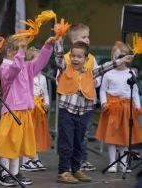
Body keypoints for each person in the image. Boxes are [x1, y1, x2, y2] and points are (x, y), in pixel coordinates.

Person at [54, 40, 135, 184]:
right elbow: (59, 57)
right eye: (73, 56)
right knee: (66, 142)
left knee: (79, 142)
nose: (75, 59)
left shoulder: (91, 72)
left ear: (86, 59)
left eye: (79, 57)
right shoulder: (66, 68)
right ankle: (64, 171)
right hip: (67, 111)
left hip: (83, 113)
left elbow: (106, 67)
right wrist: (57, 41)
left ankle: (76, 169)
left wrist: (122, 59)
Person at [0, 36, 54, 186]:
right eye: (22, 48)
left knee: (17, 143)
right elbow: (15, 69)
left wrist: (47, 46)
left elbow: (39, 63)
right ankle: (4, 173)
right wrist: (20, 53)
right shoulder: (6, 67)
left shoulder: (25, 66)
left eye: (24, 48)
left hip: (24, 111)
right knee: (9, 143)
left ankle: (15, 172)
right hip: (12, 111)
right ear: (10, 51)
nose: (24, 51)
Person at [95, 41, 142, 173]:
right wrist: (104, 102)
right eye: (117, 57)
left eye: (122, 56)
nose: (120, 60)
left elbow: (135, 92)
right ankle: (112, 163)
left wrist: (137, 106)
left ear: (127, 58)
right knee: (112, 137)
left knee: (124, 138)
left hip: (127, 109)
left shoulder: (130, 73)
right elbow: (103, 90)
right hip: (112, 108)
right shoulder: (108, 74)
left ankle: (123, 163)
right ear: (112, 58)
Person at [62, 23, 99, 171]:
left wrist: (96, 82)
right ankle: (70, 162)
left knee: (83, 133)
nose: (87, 39)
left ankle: (82, 160)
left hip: (88, 102)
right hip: (71, 103)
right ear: (74, 40)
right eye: (84, 37)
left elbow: (98, 74)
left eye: (88, 37)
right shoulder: (67, 58)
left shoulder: (91, 58)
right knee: (71, 135)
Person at [20, 47, 51, 171]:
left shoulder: (42, 78)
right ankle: (25, 161)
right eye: (37, 60)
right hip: (30, 108)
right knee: (28, 133)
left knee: (36, 134)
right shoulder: (27, 76)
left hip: (39, 110)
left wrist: (47, 102)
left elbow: (45, 92)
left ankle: (35, 158)